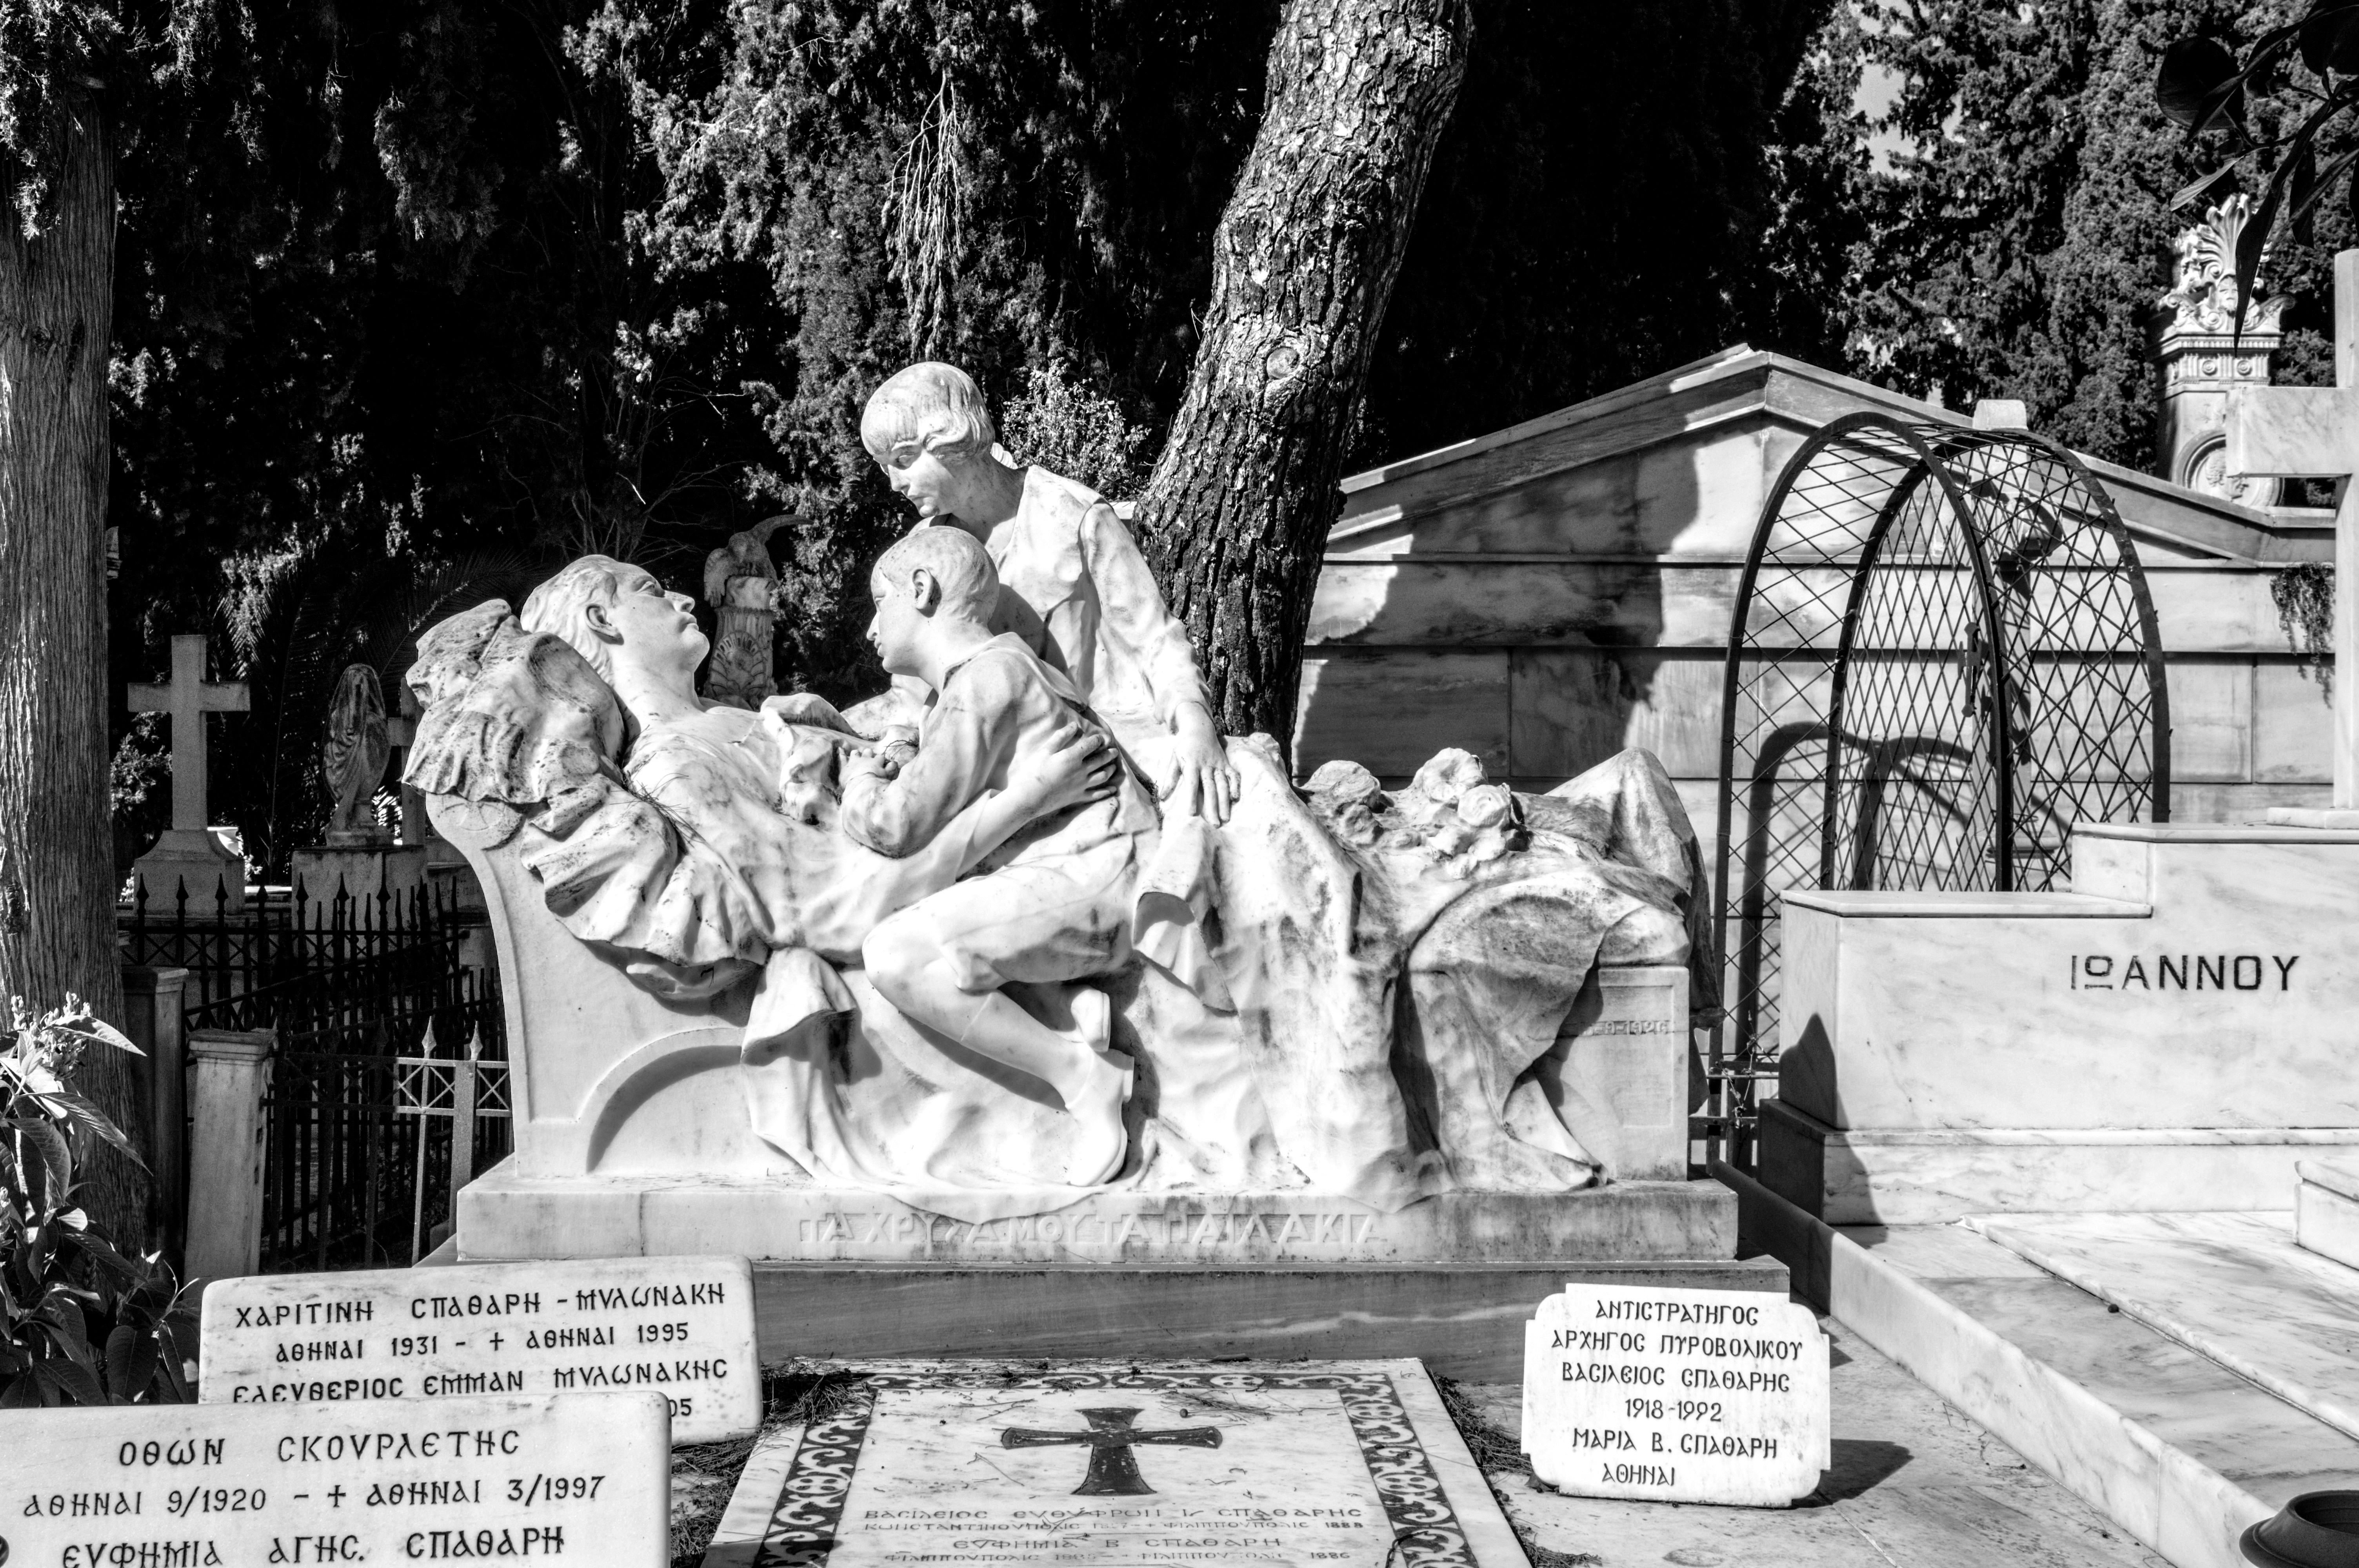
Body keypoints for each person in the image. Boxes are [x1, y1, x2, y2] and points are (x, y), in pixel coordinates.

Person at [839, 527, 1156, 1185]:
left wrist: (859, 783)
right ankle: (1067, 1014)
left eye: (880, 601)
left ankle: (1084, 1077)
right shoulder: (996, 676)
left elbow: (898, 825)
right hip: (1083, 871)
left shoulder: (988, 678)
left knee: (897, 955)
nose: (870, 628)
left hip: (1094, 879)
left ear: (920, 590)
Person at [858, 362, 1241, 825]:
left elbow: (1154, 640)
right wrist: (900, 742)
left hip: (1097, 740)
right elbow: (912, 686)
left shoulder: (1072, 515)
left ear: (951, 439)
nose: (896, 485)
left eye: (903, 460)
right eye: (887, 469)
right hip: (980, 755)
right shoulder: (927, 548)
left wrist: (1195, 723)